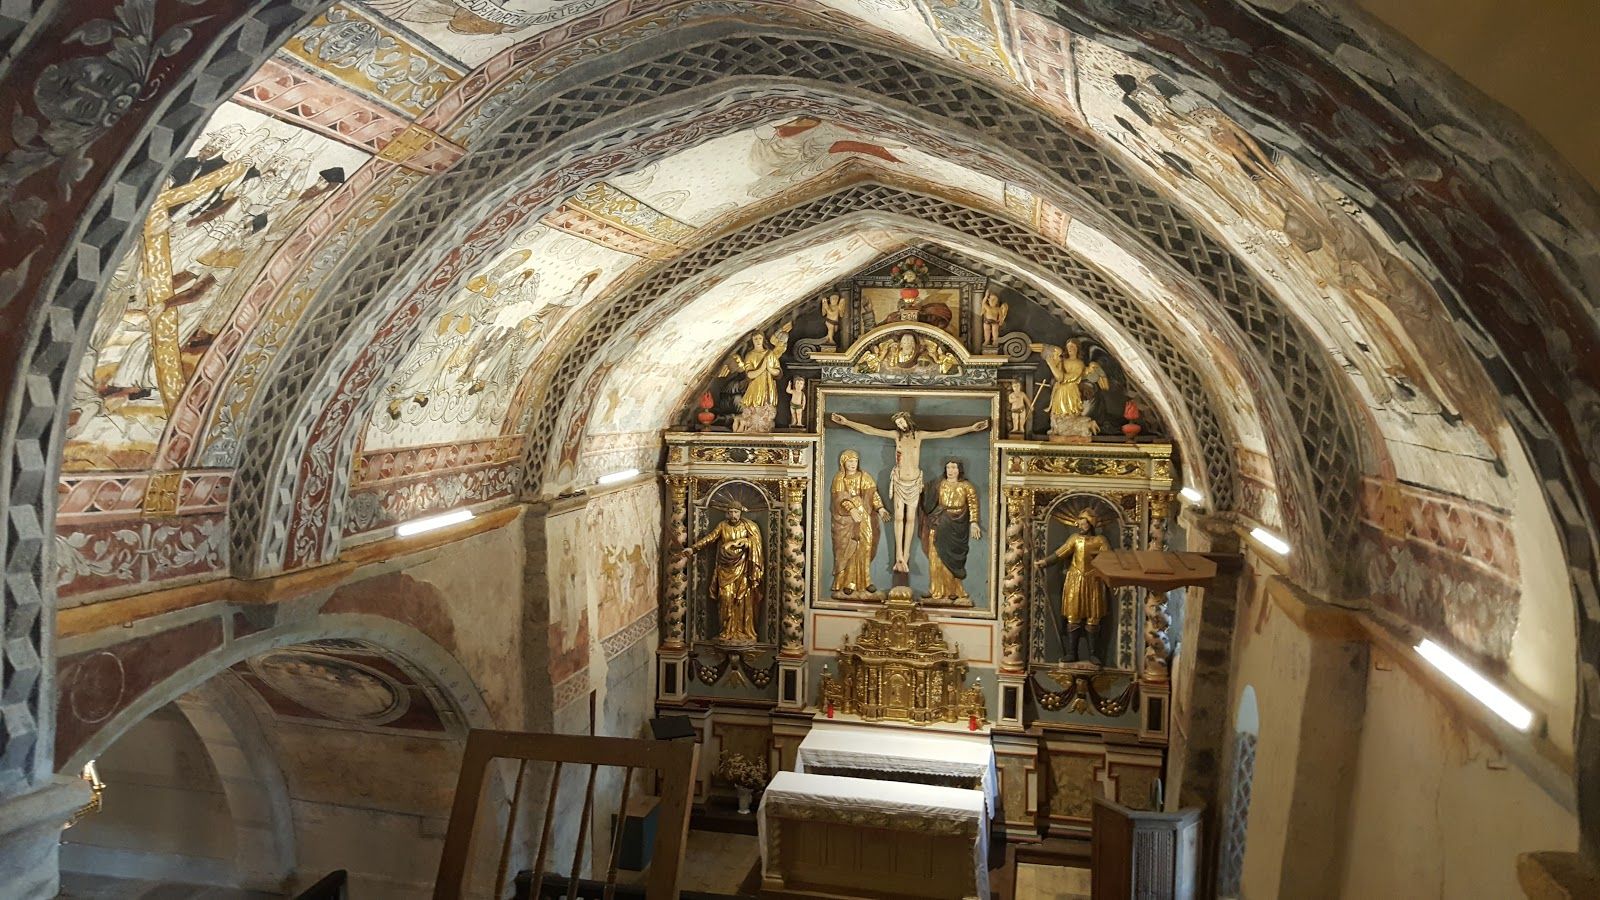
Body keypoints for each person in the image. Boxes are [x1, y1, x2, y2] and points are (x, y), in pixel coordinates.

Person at [830, 410, 989, 572]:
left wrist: (971, 428)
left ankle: (905, 557)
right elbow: (870, 429)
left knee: (911, 520)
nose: (900, 425)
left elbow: (947, 433)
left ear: (907, 421)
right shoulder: (895, 436)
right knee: (898, 519)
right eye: (897, 424)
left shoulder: (918, 436)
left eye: (901, 422)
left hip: (914, 483)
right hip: (899, 481)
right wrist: (846, 422)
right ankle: (898, 555)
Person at [681, 501, 763, 644]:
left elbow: (756, 542)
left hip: (743, 570)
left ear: (740, 513)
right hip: (725, 570)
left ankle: (743, 631)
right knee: (725, 598)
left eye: (736, 512)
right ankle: (726, 630)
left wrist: (743, 542)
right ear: (727, 513)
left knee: (742, 600)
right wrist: (693, 549)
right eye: (730, 512)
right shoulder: (722, 526)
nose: (733, 515)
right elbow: (709, 539)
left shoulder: (748, 526)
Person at [1036, 510, 1112, 663]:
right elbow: (1061, 553)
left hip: (1094, 580)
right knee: (1073, 616)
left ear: (1091, 524)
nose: (1080, 525)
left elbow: (1109, 559)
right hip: (1075, 579)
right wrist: (1045, 562)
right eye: (1080, 523)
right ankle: (1072, 653)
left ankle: (1093, 654)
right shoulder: (1075, 539)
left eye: (1084, 523)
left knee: (1093, 618)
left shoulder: (1100, 540)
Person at [829, 450, 889, 597]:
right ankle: (849, 582)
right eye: (849, 461)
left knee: (865, 546)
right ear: (843, 463)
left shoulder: (865, 476)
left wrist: (880, 509)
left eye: (855, 461)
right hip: (846, 520)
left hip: (864, 516)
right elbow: (839, 499)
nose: (852, 464)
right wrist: (851, 509)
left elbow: (873, 495)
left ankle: (865, 581)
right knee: (850, 548)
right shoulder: (839, 478)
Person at [923, 459, 981, 601]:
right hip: (940, 521)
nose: (950, 470)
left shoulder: (967, 486)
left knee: (952, 560)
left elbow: (973, 505)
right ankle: (935, 589)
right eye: (948, 467)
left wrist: (974, 522)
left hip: (957, 526)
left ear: (959, 469)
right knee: (935, 555)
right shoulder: (939, 484)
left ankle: (953, 590)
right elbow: (928, 498)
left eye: (953, 467)